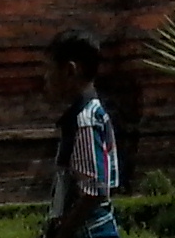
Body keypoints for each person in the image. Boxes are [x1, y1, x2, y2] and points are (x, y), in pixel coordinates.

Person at [43, 28, 119, 238]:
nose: (46, 77)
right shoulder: (88, 114)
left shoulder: (85, 120)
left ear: (70, 70)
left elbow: (92, 192)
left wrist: (63, 232)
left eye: (50, 69)